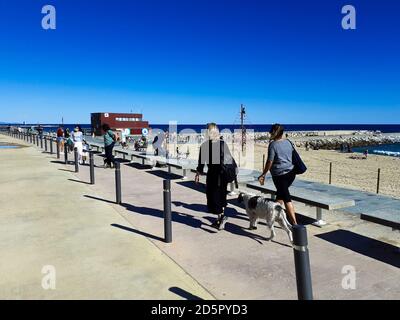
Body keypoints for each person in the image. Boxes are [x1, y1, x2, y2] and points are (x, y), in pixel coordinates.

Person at [195, 123, 235, 230]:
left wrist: (198, 173)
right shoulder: (221, 144)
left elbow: (201, 163)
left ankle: (221, 217)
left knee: (215, 197)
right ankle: (220, 217)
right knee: (217, 197)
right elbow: (228, 160)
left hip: (216, 174)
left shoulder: (206, 145)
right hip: (220, 174)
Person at [258, 124, 298, 225]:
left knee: (286, 198)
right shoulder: (288, 142)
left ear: (273, 132)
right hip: (291, 173)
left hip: (280, 175)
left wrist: (263, 174)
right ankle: (274, 215)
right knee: (280, 195)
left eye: (271, 131)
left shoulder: (273, 145)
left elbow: (269, 161)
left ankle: (294, 224)